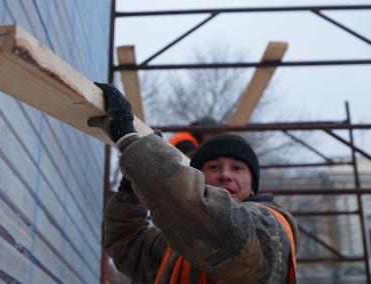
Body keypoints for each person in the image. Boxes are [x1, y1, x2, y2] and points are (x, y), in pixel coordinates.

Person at [89, 83, 299, 284]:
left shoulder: (271, 229)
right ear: (198, 175)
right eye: (214, 167)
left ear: (253, 185)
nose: (225, 175)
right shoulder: (179, 246)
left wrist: (134, 148)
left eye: (237, 168)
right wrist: (131, 191)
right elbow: (127, 246)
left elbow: (208, 216)